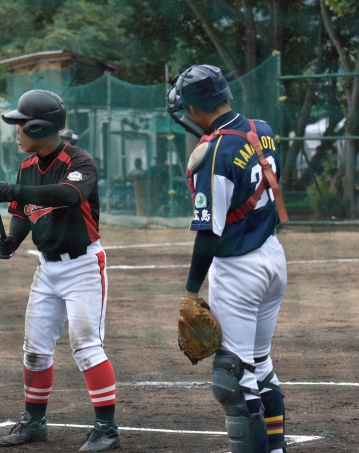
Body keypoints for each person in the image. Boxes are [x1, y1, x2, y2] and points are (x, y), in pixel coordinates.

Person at [0, 90, 120, 452]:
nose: (17, 131)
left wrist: (14, 190)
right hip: (46, 269)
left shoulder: (79, 161)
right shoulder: (27, 167)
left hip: (83, 267)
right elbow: (22, 212)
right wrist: (12, 239)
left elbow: (67, 195)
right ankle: (34, 423)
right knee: (35, 351)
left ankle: (106, 429)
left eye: (21, 124)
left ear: (38, 127)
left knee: (87, 347)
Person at [166, 65, 289, 453]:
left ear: (195, 107)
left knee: (233, 378)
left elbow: (209, 232)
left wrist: (190, 291)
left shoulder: (215, 152)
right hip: (272, 257)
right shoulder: (261, 128)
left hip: (239, 269)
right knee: (259, 364)